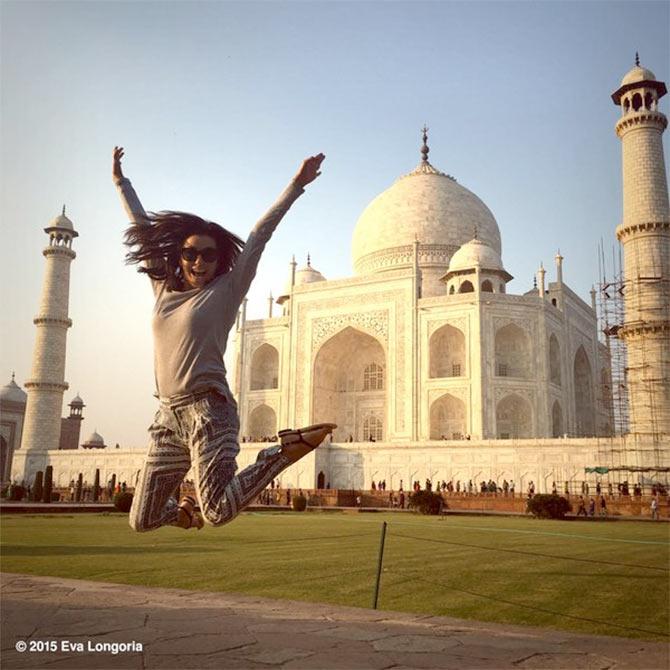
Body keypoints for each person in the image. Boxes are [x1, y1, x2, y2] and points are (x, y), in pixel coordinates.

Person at [113, 146, 335, 531]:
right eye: (190, 253)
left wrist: (296, 185)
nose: (199, 262)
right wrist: (121, 182)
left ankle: (284, 451)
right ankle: (183, 514)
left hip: (209, 411)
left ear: (220, 260)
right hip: (168, 416)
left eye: (209, 255)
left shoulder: (227, 290)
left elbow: (258, 237)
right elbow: (144, 233)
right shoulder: (163, 289)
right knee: (141, 519)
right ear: (179, 256)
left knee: (216, 512)